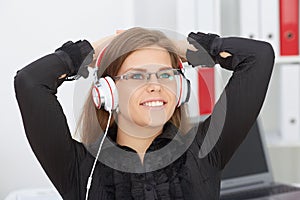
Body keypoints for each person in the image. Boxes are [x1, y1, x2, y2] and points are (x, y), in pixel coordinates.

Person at [14, 27, 274, 200]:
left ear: (180, 88)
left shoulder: (205, 150)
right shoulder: (81, 168)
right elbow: (30, 81)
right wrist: (90, 52)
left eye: (165, 74)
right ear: (108, 92)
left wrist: (176, 46)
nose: (155, 85)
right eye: (136, 75)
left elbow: (259, 57)